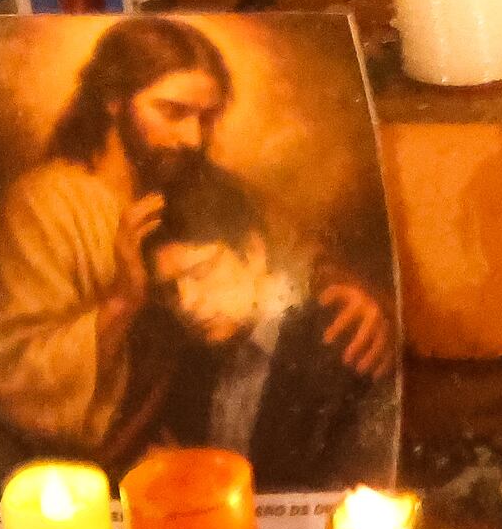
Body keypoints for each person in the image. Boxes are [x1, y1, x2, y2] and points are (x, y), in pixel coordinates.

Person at [0, 20, 392, 470]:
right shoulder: (44, 205)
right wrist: (123, 302)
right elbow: (15, 379)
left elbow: (298, 257)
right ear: (113, 99)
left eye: (206, 118)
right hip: (93, 467)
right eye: (173, 112)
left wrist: (350, 296)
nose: (193, 138)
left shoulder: (204, 183)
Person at [127, 166, 401, 492]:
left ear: (254, 253)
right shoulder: (189, 363)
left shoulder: (345, 339)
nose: (186, 302)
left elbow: (351, 495)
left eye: (200, 272)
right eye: (171, 288)